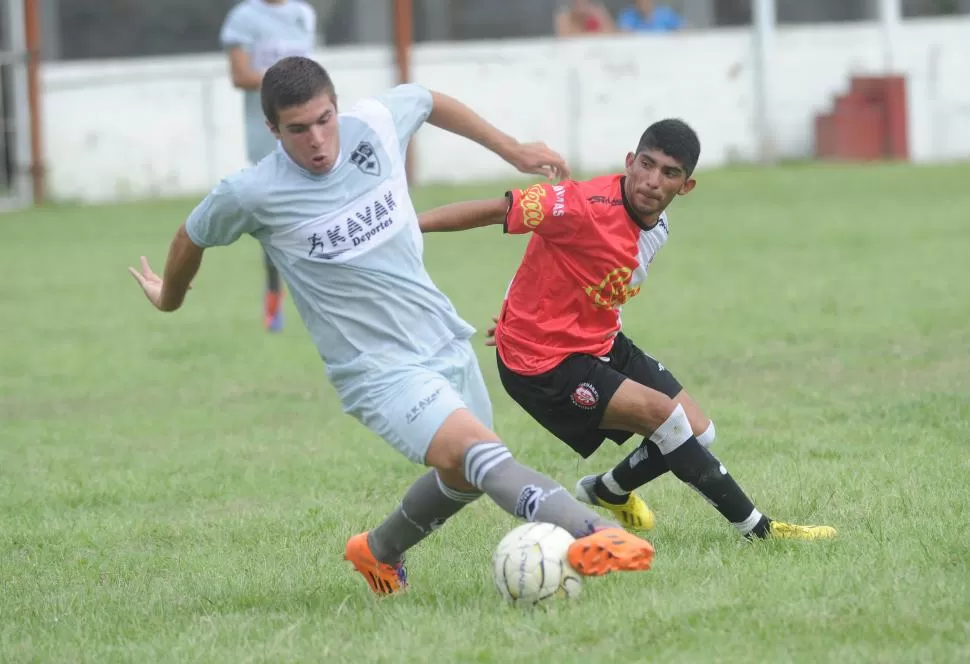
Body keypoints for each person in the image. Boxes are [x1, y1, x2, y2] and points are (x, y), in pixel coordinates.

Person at [127, 56, 658, 596]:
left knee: (465, 476)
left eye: (324, 118)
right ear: (272, 129)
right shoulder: (251, 193)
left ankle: (377, 551)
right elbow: (189, 235)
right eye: (298, 128)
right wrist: (169, 298)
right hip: (376, 370)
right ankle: (593, 531)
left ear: (336, 106)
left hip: (442, 338)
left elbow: (426, 100)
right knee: (480, 456)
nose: (317, 139)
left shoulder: (376, 124)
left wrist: (513, 150)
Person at [417, 119, 837, 542]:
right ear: (630, 162)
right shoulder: (578, 205)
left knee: (698, 430)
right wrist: (406, 228)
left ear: (685, 187)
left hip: (599, 340)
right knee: (666, 420)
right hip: (544, 362)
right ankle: (760, 531)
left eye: (669, 173)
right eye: (647, 165)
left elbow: (569, 269)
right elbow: (493, 211)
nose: (652, 182)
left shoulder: (658, 226)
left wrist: (519, 311)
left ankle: (608, 490)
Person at [220, 0, 318, 332]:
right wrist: (285, 81)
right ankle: (274, 297)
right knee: (276, 220)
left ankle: (321, 296)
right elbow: (240, 75)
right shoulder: (243, 18)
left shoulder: (303, 15)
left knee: (317, 211)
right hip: (268, 137)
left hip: (307, 134)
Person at [616, 0, 684, 33]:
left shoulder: (666, 14)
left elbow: (682, 30)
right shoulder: (629, 16)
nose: (644, 3)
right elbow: (622, 35)